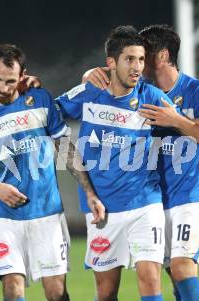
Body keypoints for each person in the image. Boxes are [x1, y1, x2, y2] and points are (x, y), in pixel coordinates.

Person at [82, 24, 199, 301]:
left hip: (188, 194)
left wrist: (176, 121)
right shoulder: (142, 91)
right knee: (170, 274)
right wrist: (89, 74)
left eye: (145, 54)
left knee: (181, 268)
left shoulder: (195, 89)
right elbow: (108, 83)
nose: (139, 61)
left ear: (163, 55)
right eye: (134, 57)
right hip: (154, 197)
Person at [0, 44, 105, 301]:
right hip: (4, 215)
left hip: (46, 211)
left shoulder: (40, 99)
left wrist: (89, 191)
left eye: (11, 81)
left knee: (57, 293)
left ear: (23, 75)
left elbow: (65, 148)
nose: (3, 87)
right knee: (13, 290)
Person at [55, 25, 175, 301]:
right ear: (111, 63)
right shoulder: (89, 92)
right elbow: (50, 114)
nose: (137, 67)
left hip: (145, 202)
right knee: (106, 293)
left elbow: (180, 124)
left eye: (141, 59)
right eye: (129, 59)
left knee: (150, 278)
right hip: (102, 208)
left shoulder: (151, 97)